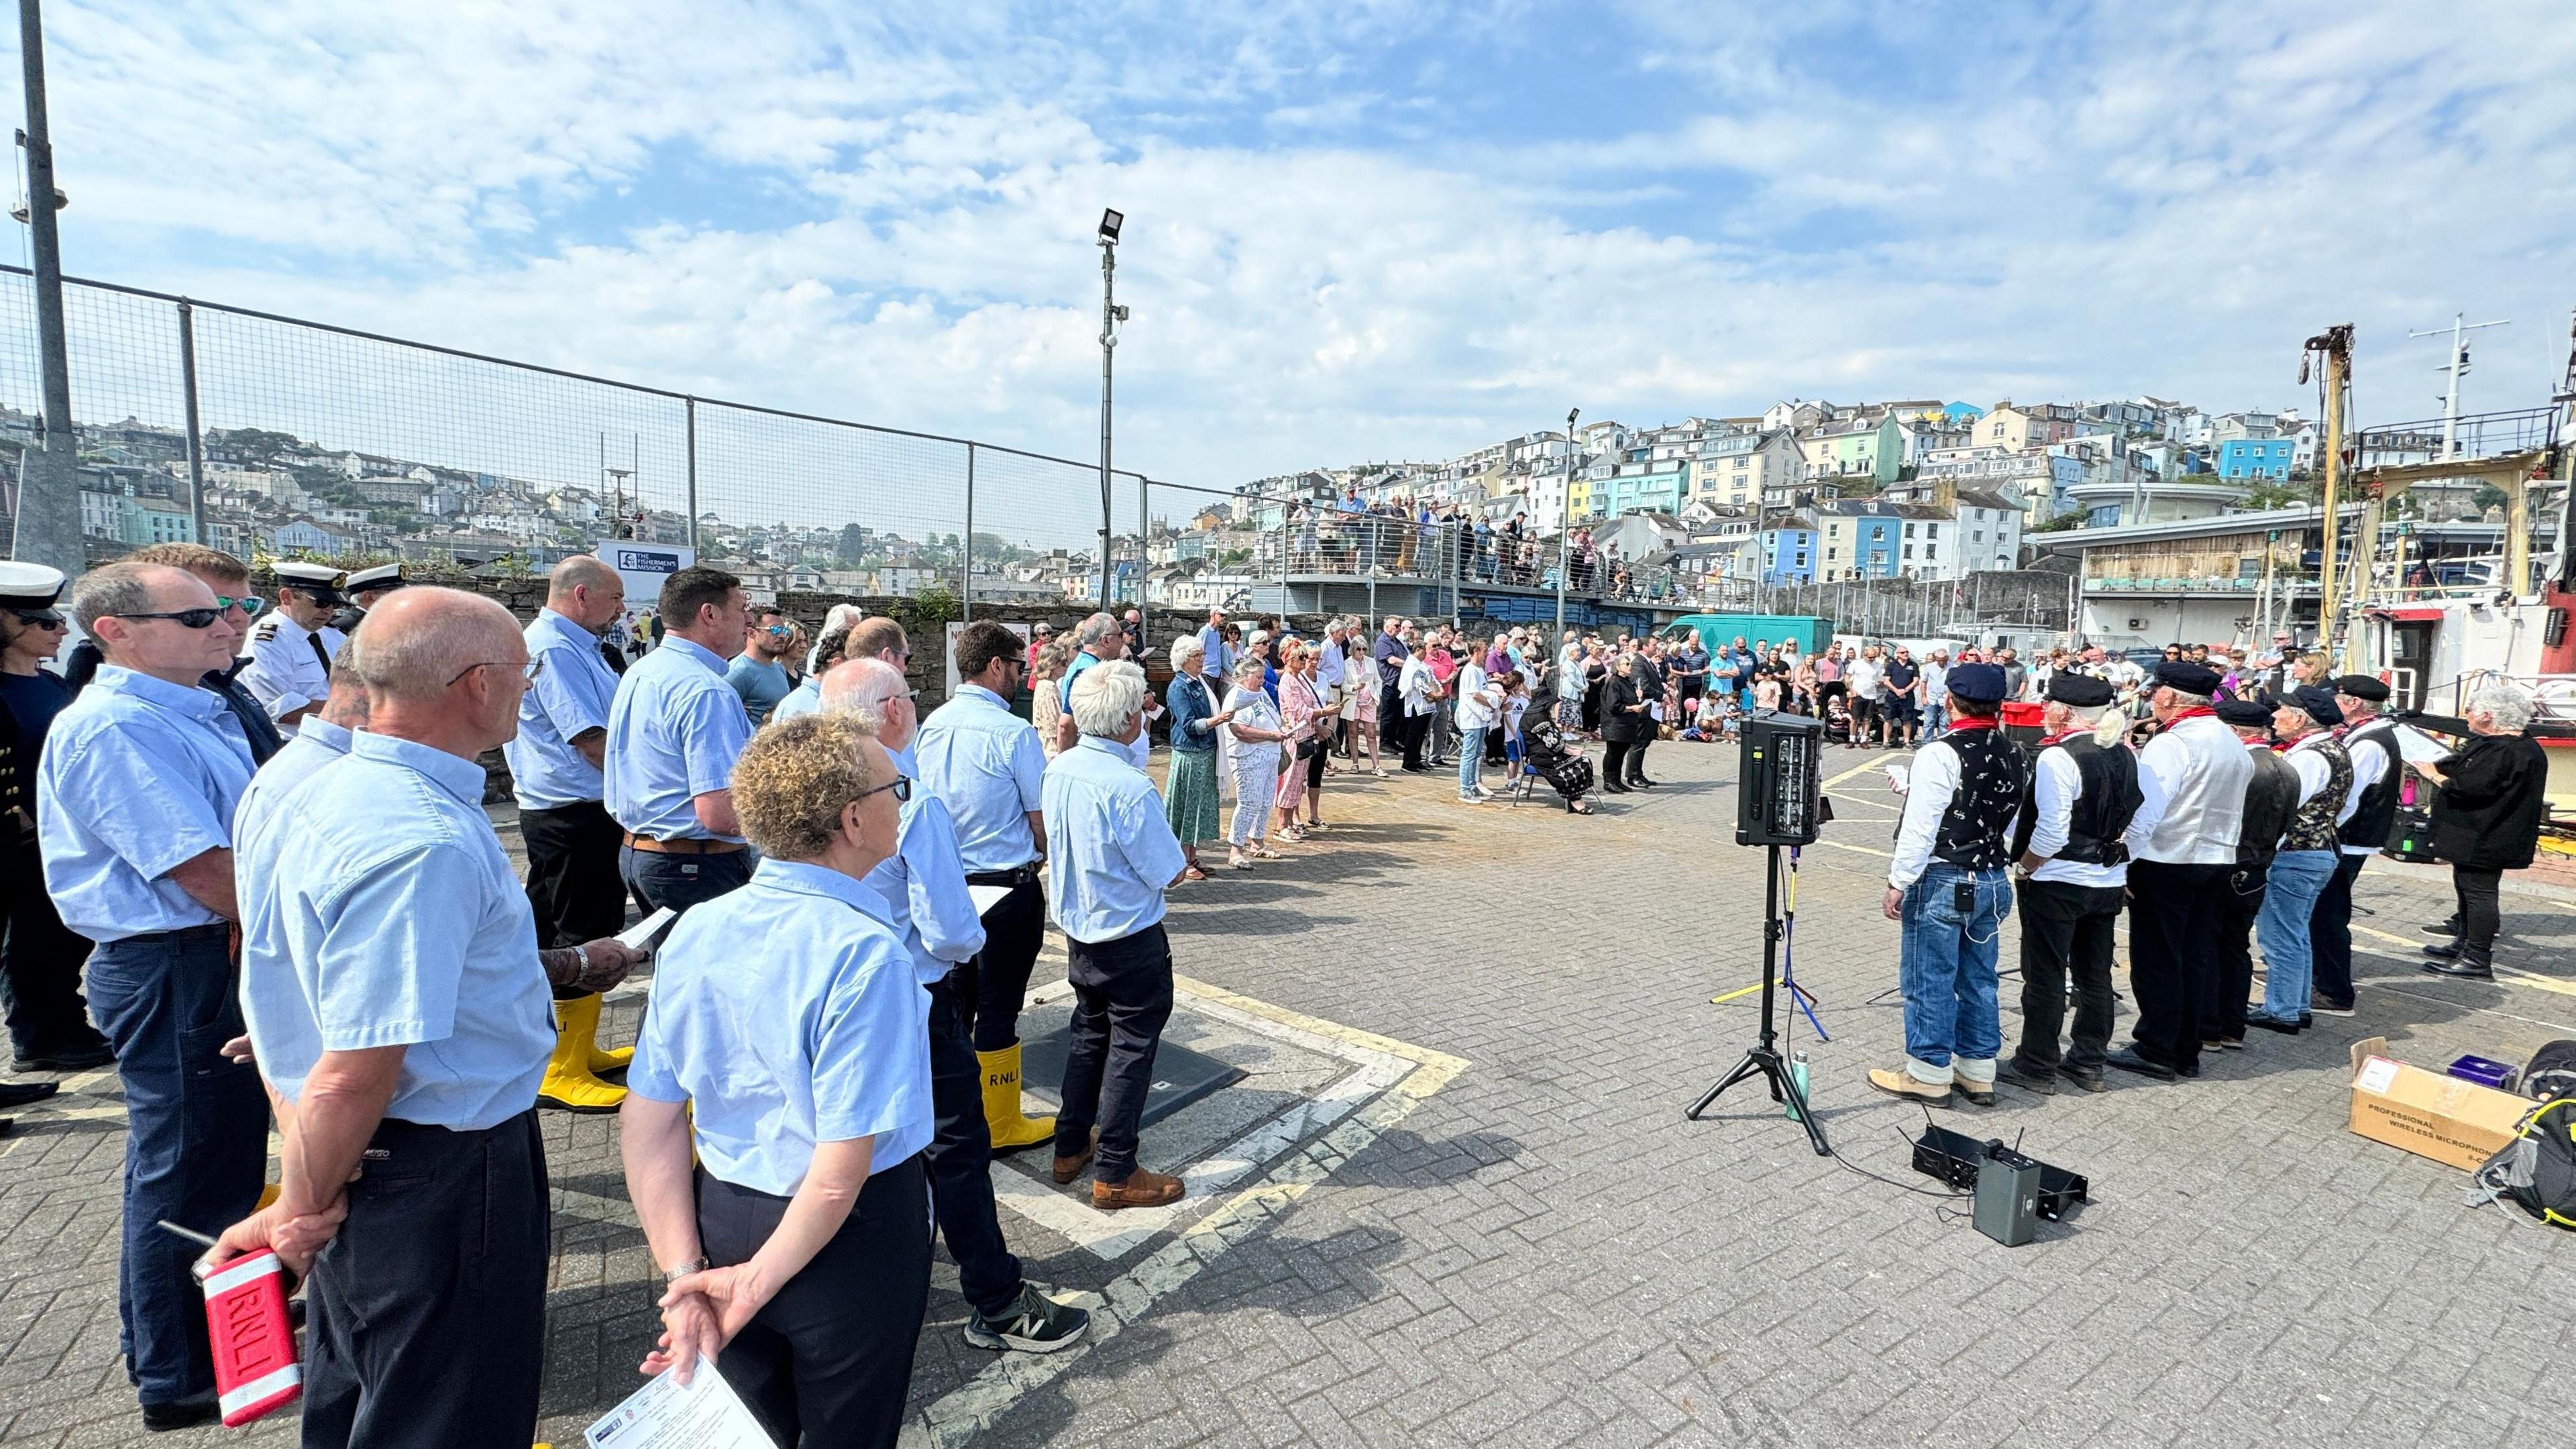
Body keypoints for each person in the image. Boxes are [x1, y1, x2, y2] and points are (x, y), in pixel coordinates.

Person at [217, 586, 642, 1448]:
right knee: (446, 1407)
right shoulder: (422, 838)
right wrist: (297, 1213)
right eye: (521, 675)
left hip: (368, 1147)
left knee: (365, 1387)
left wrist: (306, 1173)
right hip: (435, 1164)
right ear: (478, 684)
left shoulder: (314, 788)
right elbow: (353, 1069)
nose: (530, 692)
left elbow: (279, 1003)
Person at [616, 712, 932, 1446]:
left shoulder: (698, 926)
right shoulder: (865, 952)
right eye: (897, 788)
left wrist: (687, 1278)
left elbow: (651, 1116)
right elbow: (835, 1173)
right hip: (847, 1240)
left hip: (722, 1213)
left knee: (752, 1427)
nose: (902, 802)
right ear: (853, 818)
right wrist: (749, 1288)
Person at [37, 562, 266, 1432]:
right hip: (177, 960)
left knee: (219, 1162)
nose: (224, 625)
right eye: (199, 614)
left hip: (207, 952)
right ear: (116, 632)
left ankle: (210, 1337)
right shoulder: (114, 730)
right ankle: (176, 1371)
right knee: (186, 1172)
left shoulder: (189, 705)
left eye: (231, 609)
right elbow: (205, 870)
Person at [822, 657, 1090, 1356]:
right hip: (911, 994)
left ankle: (864, 1281)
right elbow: (948, 929)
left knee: (860, 1145)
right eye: (909, 695)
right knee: (957, 1147)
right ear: (889, 712)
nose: (913, 705)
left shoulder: (804, 784)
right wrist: (960, 941)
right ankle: (996, 1301)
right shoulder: (905, 796)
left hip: (830, 997)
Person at [1043, 661, 1189, 1210]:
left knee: (1089, 1033)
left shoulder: (1062, 767)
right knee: (1131, 1046)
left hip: (1080, 931)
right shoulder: (1128, 786)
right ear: (1130, 719)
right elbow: (1167, 868)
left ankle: (1070, 1143)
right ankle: (1116, 1169)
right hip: (1127, 934)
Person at [914, 624, 1058, 1153]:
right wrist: (1042, 854)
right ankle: (1000, 1124)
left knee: (955, 1004)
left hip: (949, 884)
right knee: (1001, 1005)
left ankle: (955, 1112)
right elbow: (1039, 814)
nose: (1022, 678)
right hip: (1006, 885)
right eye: (1019, 667)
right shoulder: (1012, 731)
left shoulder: (932, 725)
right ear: (996, 666)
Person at [505, 555, 635, 1113]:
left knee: (564, 926)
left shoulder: (575, 645)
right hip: (572, 811)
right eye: (614, 600)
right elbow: (590, 738)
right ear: (581, 595)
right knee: (581, 932)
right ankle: (562, 1068)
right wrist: (644, 792)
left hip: (574, 809)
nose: (621, 611)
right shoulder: (555, 649)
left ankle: (569, 1050)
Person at [1869, 662, 2025, 1106]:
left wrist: (1898, 881)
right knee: (1980, 978)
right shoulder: (2015, 753)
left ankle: (1928, 1070)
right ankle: (1978, 1070)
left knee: (1930, 977)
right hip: (1993, 876)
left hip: (1944, 876)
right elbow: (2002, 817)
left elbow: (1922, 829)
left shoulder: (1941, 751)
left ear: (1949, 701)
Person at [1996, 674, 2159, 1095]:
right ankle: (2088, 1062)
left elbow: (2052, 831)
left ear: (2063, 712)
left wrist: (2027, 867)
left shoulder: (2059, 757)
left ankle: (2036, 1063)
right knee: (2094, 975)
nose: (2045, 710)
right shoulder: (2127, 754)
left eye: (2049, 704)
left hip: (2058, 879)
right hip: (2104, 880)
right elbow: (2147, 817)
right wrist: (2121, 858)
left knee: (2046, 975)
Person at [2108, 661, 2249, 1083]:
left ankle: (2158, 1046)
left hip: (2168, 859)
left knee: (2158, 957)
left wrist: (2124, 859)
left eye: (2157, 692)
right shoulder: (2231, 739)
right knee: (2195, 955)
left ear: (2169, 697)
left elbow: (2147, 811)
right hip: (2216, 858)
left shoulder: (2174, 743)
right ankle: (2185, 1047)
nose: (2153, 699)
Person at [0, 563, 111, 1073]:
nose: (60, 630)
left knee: (57, 939)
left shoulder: (48, 683)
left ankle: (63, 1026)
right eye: (43, 622)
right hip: (17, 840)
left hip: (55, 831)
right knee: (28, 944)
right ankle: (38, 1035)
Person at [606, 566, 756, 912]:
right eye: (740, 610)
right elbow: (718, 813)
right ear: (710, 614)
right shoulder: (706, 690)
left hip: (645, 855)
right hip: (696, 865)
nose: (748, 621)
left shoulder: (644, 670)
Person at [2416, 683, 2550, 981]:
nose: (2467, 716)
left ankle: (2477, 956)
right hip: (2480, 834)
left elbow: (2471, 788)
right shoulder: (2502, 744)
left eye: (2471, 710)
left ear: (2488, 715)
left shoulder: (2508, 750)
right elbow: (2463, 765)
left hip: (2489, 836)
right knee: (2466, 888)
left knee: (2479, 894)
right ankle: (2463, 944)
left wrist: (2433, 775)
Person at [113, 543, 289, 763]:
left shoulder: (226, 682)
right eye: (216, 607)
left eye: (248, 605)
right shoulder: (128, 724)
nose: (240, 618)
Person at [2244, 687, 2352, 1035]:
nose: (2274, 717)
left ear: (2301, 718)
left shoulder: (2310, 757)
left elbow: (2283, 806)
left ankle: (2283, 1009)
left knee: (2281, 936)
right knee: (2296, 933)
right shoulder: (2331, 749)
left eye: (2282, 711)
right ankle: (2295, 1004)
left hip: (2297, 855)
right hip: (2316, 851)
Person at [2206, 696, 2298, 1055]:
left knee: (2212, 946)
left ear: (2232, 731)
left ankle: (2210, 1027)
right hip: (2259, 867)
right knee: (2236, 947)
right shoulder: (2286, 767)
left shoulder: (2241, 767)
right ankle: (2232, 1026)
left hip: (2228, 863)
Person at [2310, 674, 2397, 1016]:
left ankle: (2334, 991)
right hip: (2342, 839)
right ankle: (2313, 976)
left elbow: (2345, 796)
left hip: (2346, 841)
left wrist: (2320, 832)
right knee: (2317, 912)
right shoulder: (2359, 735)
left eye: (2339, 699)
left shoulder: (2370, 743)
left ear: (2354, 704)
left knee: (2328, 915)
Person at [236, 559, 348, 738]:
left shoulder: (333, 636)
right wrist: (349, 708)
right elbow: (283, 710)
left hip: (338, 739)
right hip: (293, 744)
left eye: (335, 604)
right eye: (320, 602)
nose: (329, 611)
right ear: (287, 597)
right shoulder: (266, 643)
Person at [1162, 637, 1230, 880]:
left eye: (1202, 655)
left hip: (1206, 752)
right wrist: (1217, 721)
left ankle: (1192, 855)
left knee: (1200, 808)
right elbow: (1189, 725)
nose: (1202, 660)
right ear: (1183, 660)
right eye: (1196, 656)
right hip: (1190, 753)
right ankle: (1181, 859)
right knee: (1186, 808)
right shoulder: (1179, 687)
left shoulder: (1199, 682)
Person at [1222, 656, 1287, 869]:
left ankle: (1257, 842)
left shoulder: (1260, 692)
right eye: (1258, 677)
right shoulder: (1236, 697)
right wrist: (1270, 735)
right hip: (1249, 757)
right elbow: (1238, 729)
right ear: (1244, 677)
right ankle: (1235, 849)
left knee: (1265, 801)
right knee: (1249, 803)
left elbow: (1273, 716)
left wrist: (1281, 730)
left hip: (1269, 754)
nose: (1262, 680)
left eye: (1262, 676)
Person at [1273, 640, 1324, 840]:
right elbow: (1299, 710)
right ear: (1290, 660)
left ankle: (1290, 821)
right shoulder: (1288, 680)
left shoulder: (1299, 679)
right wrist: (1323, 712)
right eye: (1301, 657)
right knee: (1289, 780)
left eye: (1305, 656)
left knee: (1298, 781)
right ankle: (1281, 825)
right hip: (1294, 736)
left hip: (1306, 735)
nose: (1305, 660)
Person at [726, 604, 797, 722]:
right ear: (752, 633)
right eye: (774, 630)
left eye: (785, 631)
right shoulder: (740, 670)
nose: (782, 636)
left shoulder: (780, 669)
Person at [1453, 639, 1502, 805]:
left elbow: (1484, 689)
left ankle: (1472, 785)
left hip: (1480, 718)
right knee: (1469, 753)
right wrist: (1491, 704)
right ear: (1476, 651)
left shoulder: (1479, 670)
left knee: (1477, 753)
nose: (1486, 654)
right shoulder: (1470, 670)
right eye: (1484, 651)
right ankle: (1465, 789)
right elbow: (1475, 694)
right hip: (1472, 718)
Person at [1597, 651, 1650, 795]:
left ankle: (1617, 780)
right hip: (1615, 724)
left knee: (1621, 753)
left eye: (1630, 664)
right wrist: (1631, 708)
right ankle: (1609, 781)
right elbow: (1613, 705)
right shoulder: (1614, 682)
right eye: (1626, 664)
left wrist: (1638, 698)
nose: (1629, 666)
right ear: (1618, 667)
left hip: (1627, 724)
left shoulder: (1627, 681)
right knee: (1613, 752)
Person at [327, 561, 407, 635]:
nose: (401, 597)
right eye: (394, 592)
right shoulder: (341, 629)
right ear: (368, 596)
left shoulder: (391, 622)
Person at [1884, 647, 1921, 747]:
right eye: (1903, 652)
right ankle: (1886, 741)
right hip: (1892, 696)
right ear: (1898, 654)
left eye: (1907, 652)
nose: (1906, 654)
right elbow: (1886, 681)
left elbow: (1916, 681)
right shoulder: (1891, 665)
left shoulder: (1913, 665)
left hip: (1907, 696)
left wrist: (1905, 690)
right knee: (1888, 719)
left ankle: (1907, 741)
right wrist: (1896, 691)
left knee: (1907, 720)